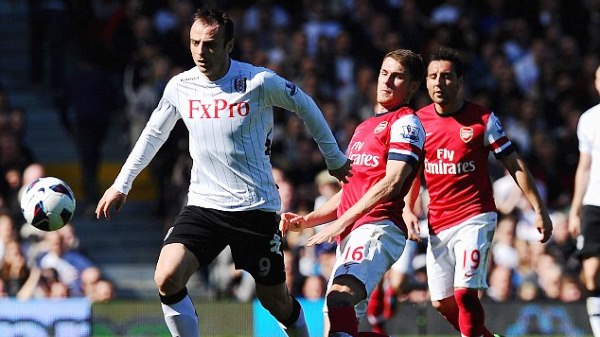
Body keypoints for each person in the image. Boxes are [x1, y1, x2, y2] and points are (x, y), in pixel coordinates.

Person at [95, 7, 352, 337]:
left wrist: (333, 158)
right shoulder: (180, 87)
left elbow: (305, 104)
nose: (201, 51)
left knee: (276, 301)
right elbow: (153, 134)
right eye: (195, 43)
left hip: (255, 208)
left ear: (229, 45)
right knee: (167, 276)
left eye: (211, 44)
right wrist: (122, 184)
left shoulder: (259, 81)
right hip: (205, 205)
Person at [404, 47, 553, 337]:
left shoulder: (483, 120)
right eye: (433, 77)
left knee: (465, 293)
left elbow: (514, 163)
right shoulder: (417, 121)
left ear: (459, 81)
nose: (438, 83)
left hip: (476, 215)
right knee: (441, 302)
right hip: (438, 221)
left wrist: (539, 209)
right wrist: (409, 207)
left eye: (446, 76)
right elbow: (413, 169)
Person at [280, 49, 426, 337]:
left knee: (339, 296)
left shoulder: (406, 123)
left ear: (412, 87)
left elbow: (392, 183)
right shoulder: (363, 128)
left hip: (378, 227)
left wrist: (343, 221)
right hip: (353, 231)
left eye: (397, 77)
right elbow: (349, 192)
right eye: (385, 73)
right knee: (337, 328)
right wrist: (307, 220)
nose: (387, 81)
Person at [569, 64, 600, 337]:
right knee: (591, 272)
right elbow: (584, 167)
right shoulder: (589, 119)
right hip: (594, 203)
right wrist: (575, 210)